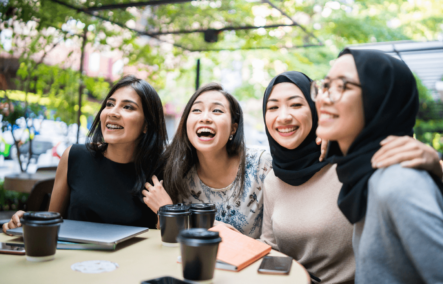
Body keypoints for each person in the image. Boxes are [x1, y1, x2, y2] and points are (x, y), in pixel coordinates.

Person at [315, 49, 443, 283]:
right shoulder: (361, 171)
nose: (323, 97)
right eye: (325, 85)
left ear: (379, 100)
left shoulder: (396, 182)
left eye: (343, 86)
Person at [259, 71, 443, 284]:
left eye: (296, 105)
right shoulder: (272, 180)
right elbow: (271, 248)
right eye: (273, 107)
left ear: (316, 110)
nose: (283, 116)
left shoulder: (349, 161)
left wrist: (438, 168)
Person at [3, 75, 168, 233]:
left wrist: (166, 211)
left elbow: (166, 242)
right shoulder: (74, 156)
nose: (113, 112)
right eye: (110, 104)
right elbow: (51, 223)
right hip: (73, 260)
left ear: (147, 124)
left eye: (127, 107)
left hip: (132, 262)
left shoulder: (162, 170)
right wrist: (26, 223)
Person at [143, 83, 271, 238]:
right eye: (196, 110)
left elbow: (271, 241)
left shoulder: (261, 165)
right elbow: (169, 238)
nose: (205, 118)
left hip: (253, 261)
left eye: (217, 110)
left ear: (233, 128)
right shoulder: (175, 169)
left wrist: (169, 210)